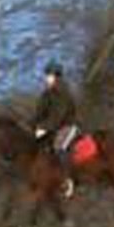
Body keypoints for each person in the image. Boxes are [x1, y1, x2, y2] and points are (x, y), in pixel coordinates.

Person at [33, 60, 78, 198]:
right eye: (46, 75)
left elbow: (59, 115)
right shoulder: (47, 93)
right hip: (52, 127)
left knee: (59, 147)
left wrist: (44, 128)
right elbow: (40, 112)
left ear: (56, 76)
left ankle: (67, 181)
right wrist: (31, 124)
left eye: (49, 75)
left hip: (66, 126)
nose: (46, 78)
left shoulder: (63, 92)